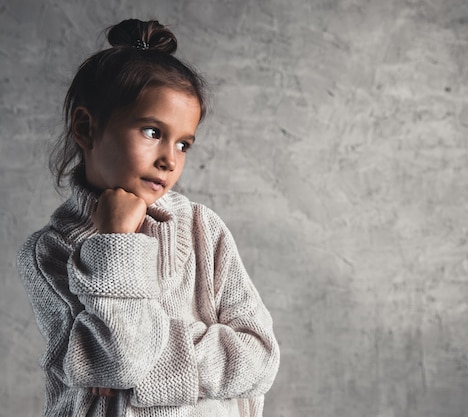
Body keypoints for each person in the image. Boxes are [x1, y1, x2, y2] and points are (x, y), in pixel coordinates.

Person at [16, 18, 280, 417]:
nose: (169, 159)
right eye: (152, 132)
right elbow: (120, 360)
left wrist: (144, 361)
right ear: (86, 128)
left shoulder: (202, 229)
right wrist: (116, 242)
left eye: (184, 143)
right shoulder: (48, 252)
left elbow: (260, 356)